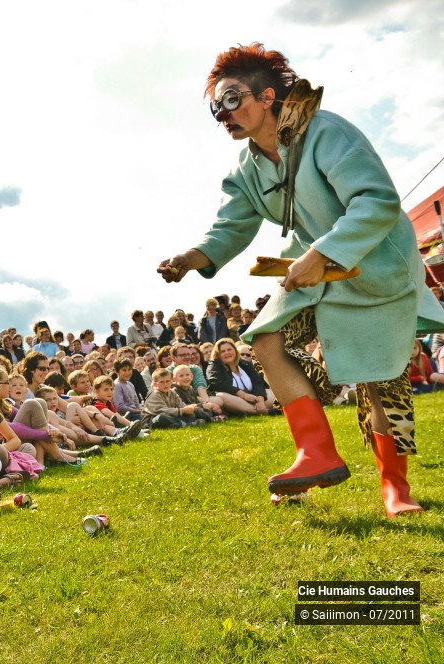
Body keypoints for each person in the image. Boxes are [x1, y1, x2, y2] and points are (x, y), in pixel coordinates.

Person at [158, 42, 444, 515]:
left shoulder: (328, 132)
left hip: (376, 268)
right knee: (266, 339)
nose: (222, 114)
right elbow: (232, 225)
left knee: (380, 381)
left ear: (267, 96)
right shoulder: (246, 168)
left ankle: (397, 488)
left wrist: (325, 251)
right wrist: (193, 257)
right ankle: (316, 453)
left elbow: (376, 201)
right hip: (308, 272)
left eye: (232, 99)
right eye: (216, 106)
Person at [206, 339, 275, 416]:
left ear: (235, 351)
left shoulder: (246, 364)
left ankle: (258, 408)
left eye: (229, 349)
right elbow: (216, 383)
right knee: (221, 396)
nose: (227, 353)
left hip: (252, 397)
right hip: (234, 399)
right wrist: (243, 395)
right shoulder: (213, 366)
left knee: (269, 392)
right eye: (223, 351)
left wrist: (260, 399)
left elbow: (258, 382)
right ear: (218, 354)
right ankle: (261, 411)